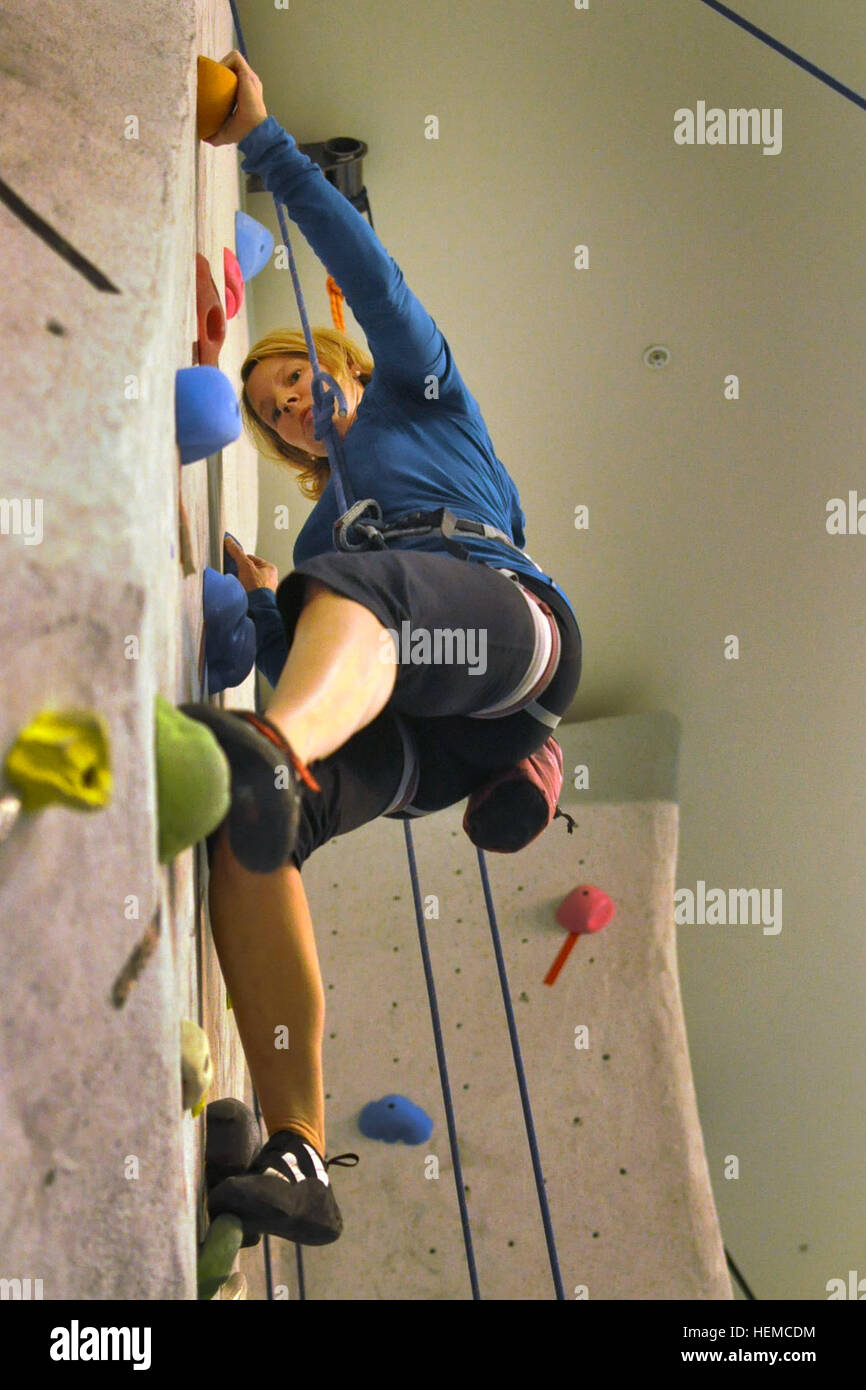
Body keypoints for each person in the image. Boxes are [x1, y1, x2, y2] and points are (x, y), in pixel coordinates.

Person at [183, 51, 583, 1247]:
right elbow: (300, 641)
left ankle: (290, 747)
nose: (290, 399)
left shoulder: (425, 397)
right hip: (423, 736)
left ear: (339, 364)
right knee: (251, 831)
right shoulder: (319, 529)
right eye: (269, 405)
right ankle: (299, 1148)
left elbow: (367, 271)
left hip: (506, 631)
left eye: (296, 373)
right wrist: (260, 615)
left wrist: (266, 150)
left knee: (324, 639)